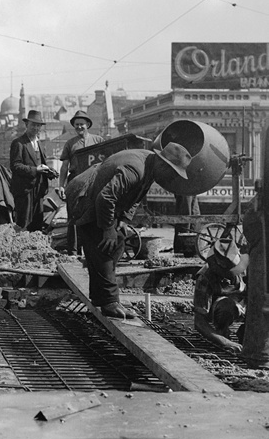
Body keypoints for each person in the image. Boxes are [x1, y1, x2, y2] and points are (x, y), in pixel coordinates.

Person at [65, 142, 192, 319]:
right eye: (172, 174)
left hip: (99, 196)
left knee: (117, 242)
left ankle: (103, 297)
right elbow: (105, 197)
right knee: (104, 247)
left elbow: (136, 196)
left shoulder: (150, 165)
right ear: (164, 164)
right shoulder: (135, 170)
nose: (172, 179)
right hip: (84, 195)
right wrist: (108, 228)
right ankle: (109, 302)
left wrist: (124, 220)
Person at [57, 110, 104, 255]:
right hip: (76, 181)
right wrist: (61, 185)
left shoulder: (98, 140)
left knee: (95, 214)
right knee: (74, 217)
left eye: (81, 124)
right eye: (76, 125)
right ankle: (73, 251)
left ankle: (94, 249)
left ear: (87, 125)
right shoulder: (70, 144)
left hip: (94, 181)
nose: (79, 127)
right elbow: (65, 166)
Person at [193, 237, 248, 354]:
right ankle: (222, 331)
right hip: (221, 309)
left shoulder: (247, 268)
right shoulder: (205, 277)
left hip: (244, 305)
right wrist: (224, 341)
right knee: (227, 306)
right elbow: (199, 321)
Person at [10, 110, 57, 232]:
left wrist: (49, 172)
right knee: (23, 223)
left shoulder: (40, 144)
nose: (35, 128)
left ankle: (34, 250)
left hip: (39, 189)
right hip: (24, 190)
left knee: (37, 223)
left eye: (38, 125)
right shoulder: (18, 143)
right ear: (27, 125)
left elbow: (42, 164)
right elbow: (16, 166)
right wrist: (35, 170)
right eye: (33, 125)